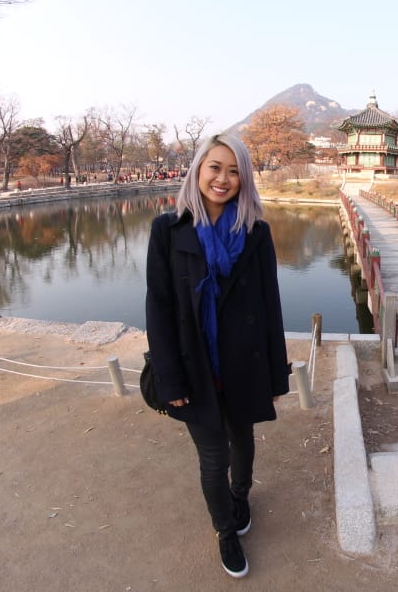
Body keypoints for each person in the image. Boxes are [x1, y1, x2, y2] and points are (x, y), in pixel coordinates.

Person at [144, 134, 289, 579]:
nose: (223, 179)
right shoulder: (168, 231)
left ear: (244, 179)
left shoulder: (256, 233)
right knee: (213, 457)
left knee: (242, 440)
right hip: (194, 367)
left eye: (233, 171)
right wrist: (170, 379)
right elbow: (159, 308)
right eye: (215, 168)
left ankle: (241, 495)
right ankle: (225, 528)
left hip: (242, 363)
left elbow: (269, 304)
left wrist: (275, 374)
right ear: (198, 171)